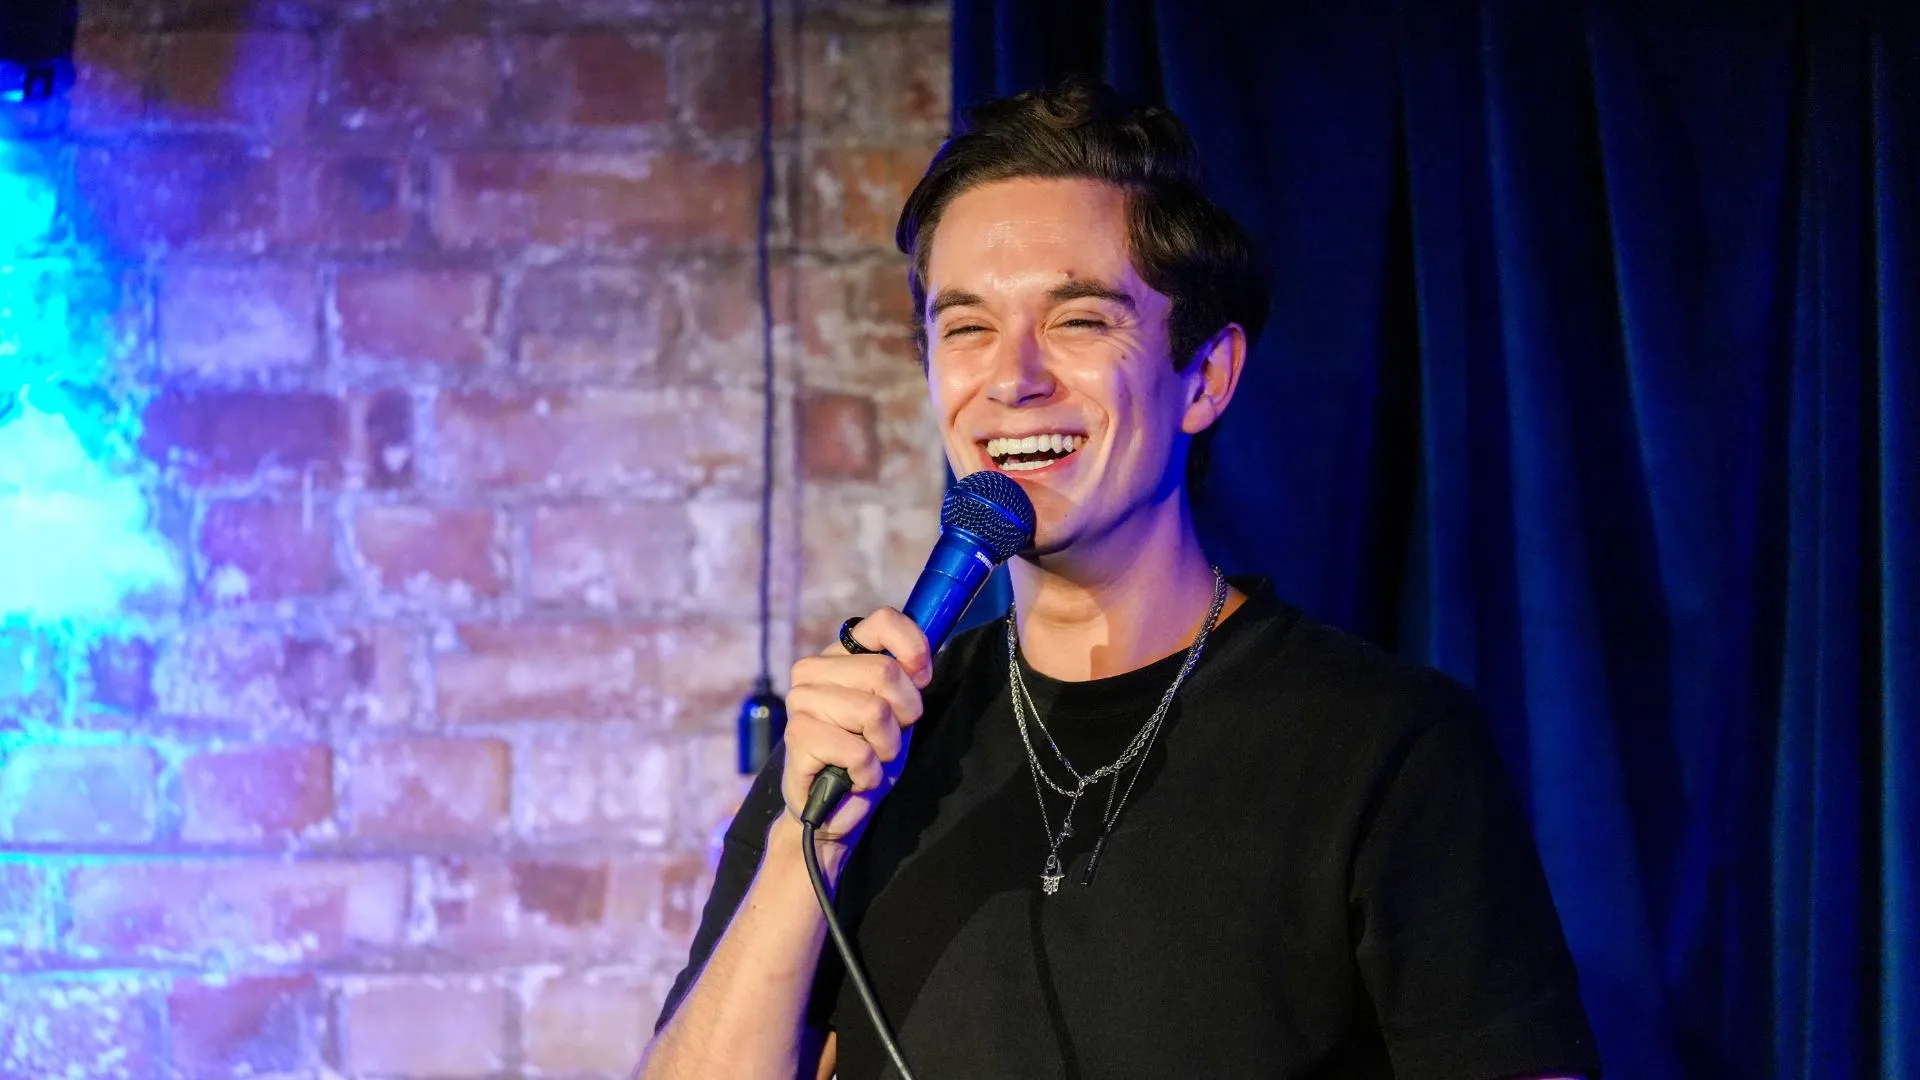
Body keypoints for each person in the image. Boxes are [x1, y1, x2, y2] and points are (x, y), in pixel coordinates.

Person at [637, 80, 1601, 1080]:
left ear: (1205, 379)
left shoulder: (1383, 746)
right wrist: (816, 842)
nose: (1013, 378)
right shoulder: (861, 739)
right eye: (965, 327)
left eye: (1080, 322)